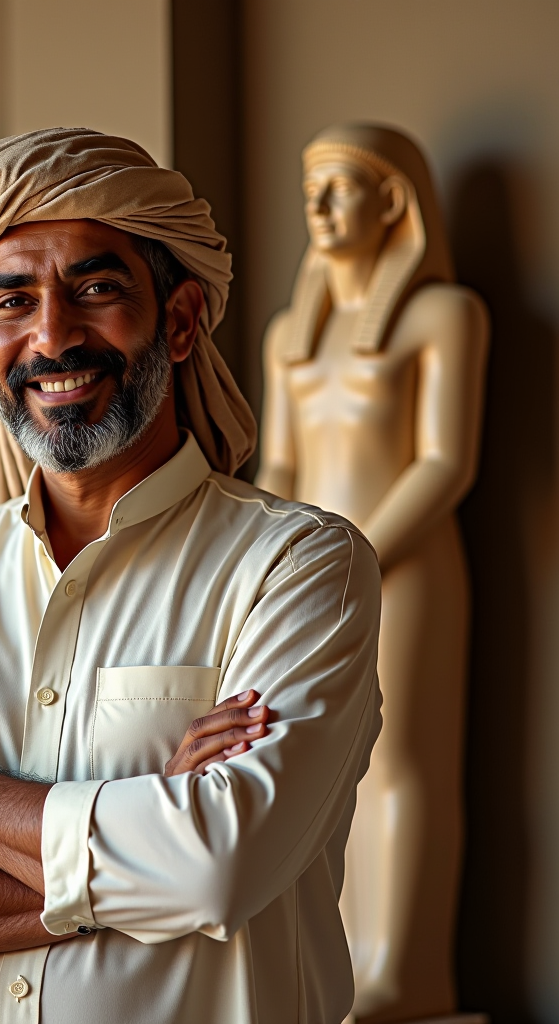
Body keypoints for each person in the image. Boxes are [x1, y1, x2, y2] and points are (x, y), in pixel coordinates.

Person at [0, 128, 382, 1024]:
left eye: (96, 290)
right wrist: (139, 846)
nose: (52, 337)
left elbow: (215, 865)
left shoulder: (298, 568)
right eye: (13, 302)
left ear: (179, 321)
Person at [256, 124, 488, 1021]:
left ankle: (405, 967)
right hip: (311, 579)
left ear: (393, 200)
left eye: (340, 186)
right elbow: (281, 464)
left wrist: (354, 557)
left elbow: (442, 463)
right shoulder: (290, 333)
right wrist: (268, 560)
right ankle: (335, 962)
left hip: (407, 566)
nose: (316, 206)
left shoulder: (443, 316)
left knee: (399, 764)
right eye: (309, 187)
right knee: (315, 759)